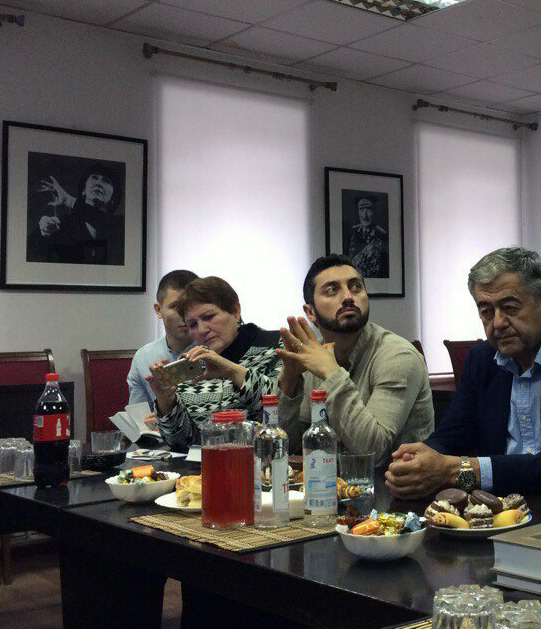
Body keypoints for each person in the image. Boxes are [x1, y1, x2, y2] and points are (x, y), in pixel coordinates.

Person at [385, 247, 541, 499]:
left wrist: (460, 470)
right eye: (486, 311)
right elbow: (453, 435)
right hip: (497, 509)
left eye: (510, 308)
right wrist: (417, 461)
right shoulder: (480, 360)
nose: (497, 323)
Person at [275, 254, 433, 467]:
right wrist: (289, 382)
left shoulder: (398, 356)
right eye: (332, 290)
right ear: (310, 312)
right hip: (324, 485)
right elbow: (285, 449)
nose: (348, 296)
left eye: (356, 287)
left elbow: (372, 453)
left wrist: (331, 373)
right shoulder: (311, 356)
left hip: (389, 487)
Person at [146, 276, 281, 447]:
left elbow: (283, 411)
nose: (202, 330)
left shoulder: (276, 346)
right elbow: (181, 441)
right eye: (192, 325)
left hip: (263, 458)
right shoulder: (193, 363)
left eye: (209, 317)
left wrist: (232, 371)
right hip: (204, 461)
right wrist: (166, 402)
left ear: (236, 311)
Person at [127, 270, 199, 415]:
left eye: (191, 306)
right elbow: (138, 417)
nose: (185, 315)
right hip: (161, 429)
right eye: (176, 307)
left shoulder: (215, 351)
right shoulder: (144, 357)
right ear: (158, 310)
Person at [28, 165, 125, 265]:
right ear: (83, 190)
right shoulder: (61, 223)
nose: (98, 183)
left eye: (106, 181)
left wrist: (68, 200)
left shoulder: (120, 225)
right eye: (94, 177)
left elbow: (101, 220)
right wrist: (43, 233)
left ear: (113, 197)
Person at [346, 196, 389, 278]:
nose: (364, 216)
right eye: (361, 210)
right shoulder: (352, 232)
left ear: (375, 211)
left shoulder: (383, 236)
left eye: (369, 210)